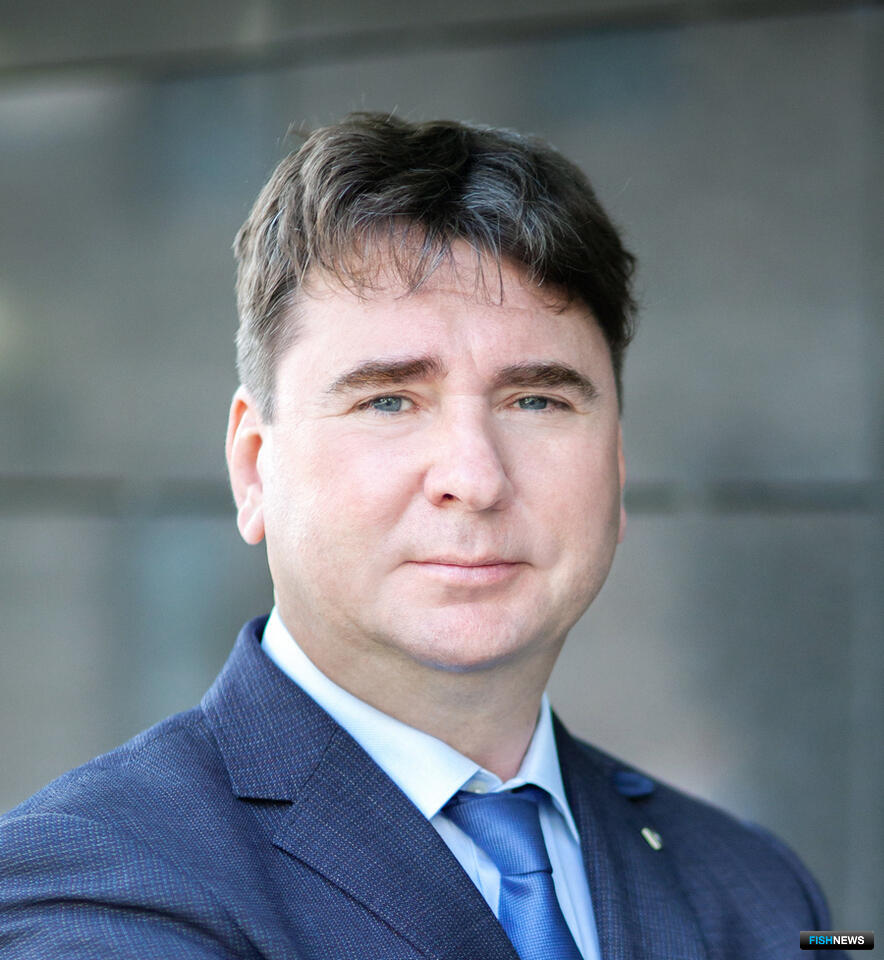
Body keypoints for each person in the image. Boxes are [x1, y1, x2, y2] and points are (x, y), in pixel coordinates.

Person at [0, 113, 841, 960]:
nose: (475, 478)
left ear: (617, 471)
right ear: (255, 467)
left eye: (537, 401)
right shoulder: (94, 888)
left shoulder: (758, 889)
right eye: (390, 401)